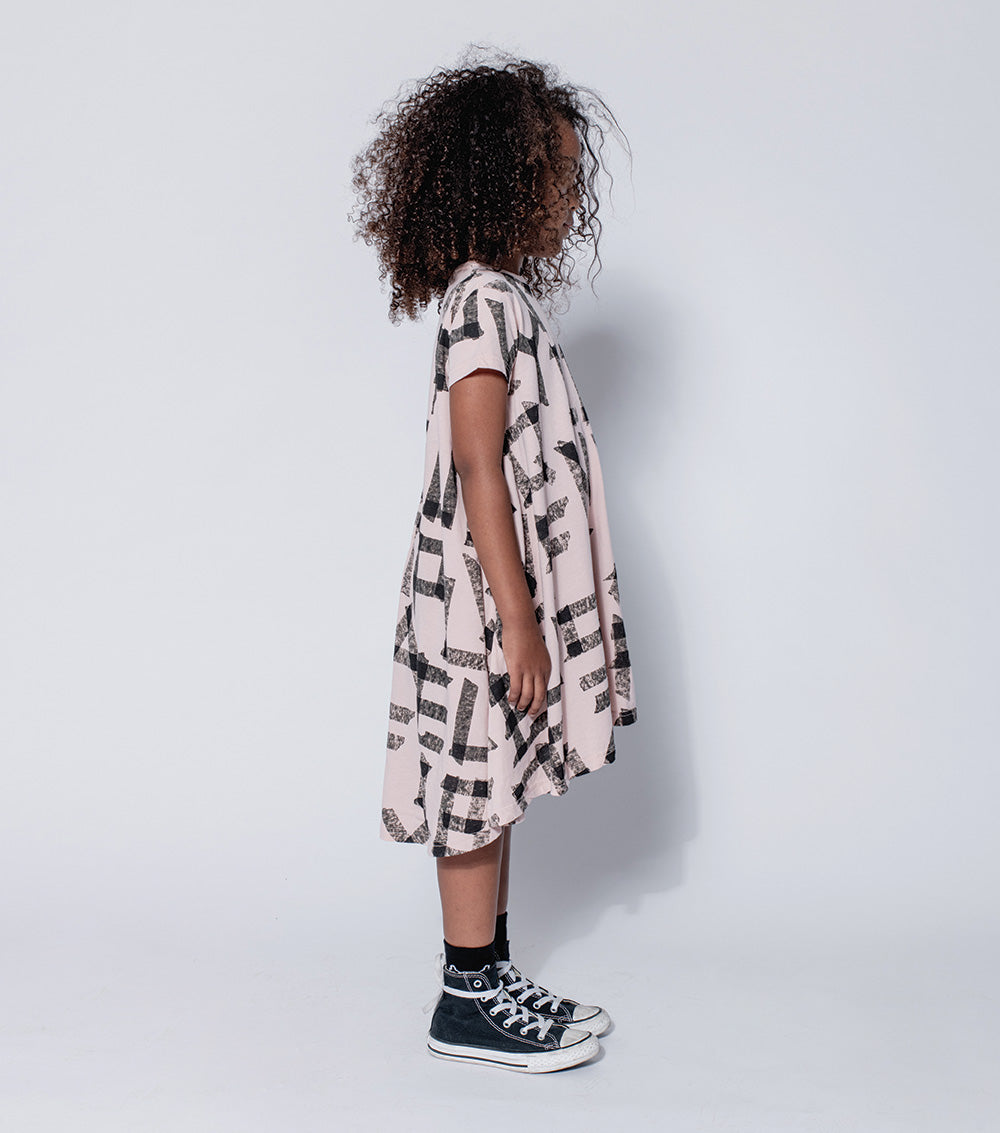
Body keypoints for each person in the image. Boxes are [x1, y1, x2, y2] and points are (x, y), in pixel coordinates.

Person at [349, 48, 638, 1073]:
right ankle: (464, 998)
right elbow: (478, 460)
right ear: (503, 182)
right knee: (473, 787)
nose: (566, 197)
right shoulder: (481, 303)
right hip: (476, 596)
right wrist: (517, 617)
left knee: (495, 779)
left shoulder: (502, 299)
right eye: (553, 174)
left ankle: (488, 972)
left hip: (492, 586)